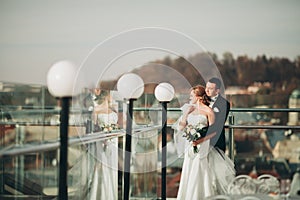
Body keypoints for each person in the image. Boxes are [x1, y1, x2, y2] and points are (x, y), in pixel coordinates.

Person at [175, 85, 235, 199]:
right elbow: (181, 128)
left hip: (203, 145)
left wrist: (200, 140)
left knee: (200, 169)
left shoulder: (209, 111)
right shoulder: (189, 109)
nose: (189, 98)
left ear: (198, 97)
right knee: (189, 169)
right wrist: (186, 114)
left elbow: (214, 132)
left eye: (192, 96)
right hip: (190, 145)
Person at [90, 90, 119, 199]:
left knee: (112, 167)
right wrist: (103, 137)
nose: (112, 97)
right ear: (106, 96)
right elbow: (94, 127)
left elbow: (117, 125)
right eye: (110, 95)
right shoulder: (96, 110)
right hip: (101, 142)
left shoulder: (113, 110)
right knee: (102, 166)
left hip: (113, 141)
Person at [205, 77, 230, 152]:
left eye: (210, 88)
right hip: (201, 141)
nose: (207, 90)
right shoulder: (201, 100)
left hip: (216, 140)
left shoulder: (224, 104)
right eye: (206, 87)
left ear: (217, 91)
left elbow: (219, 123)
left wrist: (204, 135)